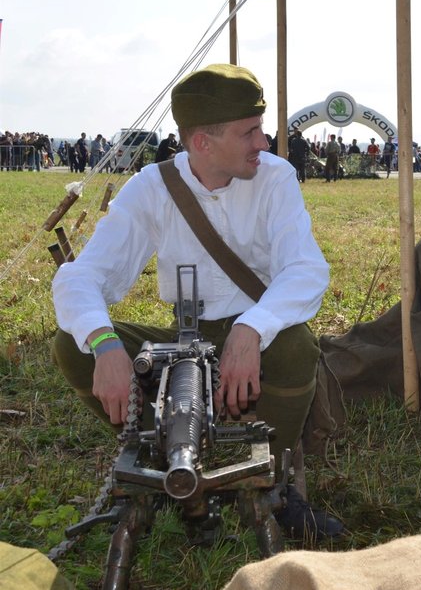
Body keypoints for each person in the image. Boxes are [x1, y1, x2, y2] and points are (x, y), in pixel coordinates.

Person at [50, 64, 341, 542]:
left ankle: (275, 483)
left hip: (259, 332)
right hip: (186, 339)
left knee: (294, 347)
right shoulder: (152, 187)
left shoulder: (275, 178)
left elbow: (305, 269)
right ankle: (165, 462)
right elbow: (83, 277)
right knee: (71, 344)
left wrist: (251, 329)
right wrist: (104, 345)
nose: (263, 143)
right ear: (202, 143)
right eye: (249, 133)